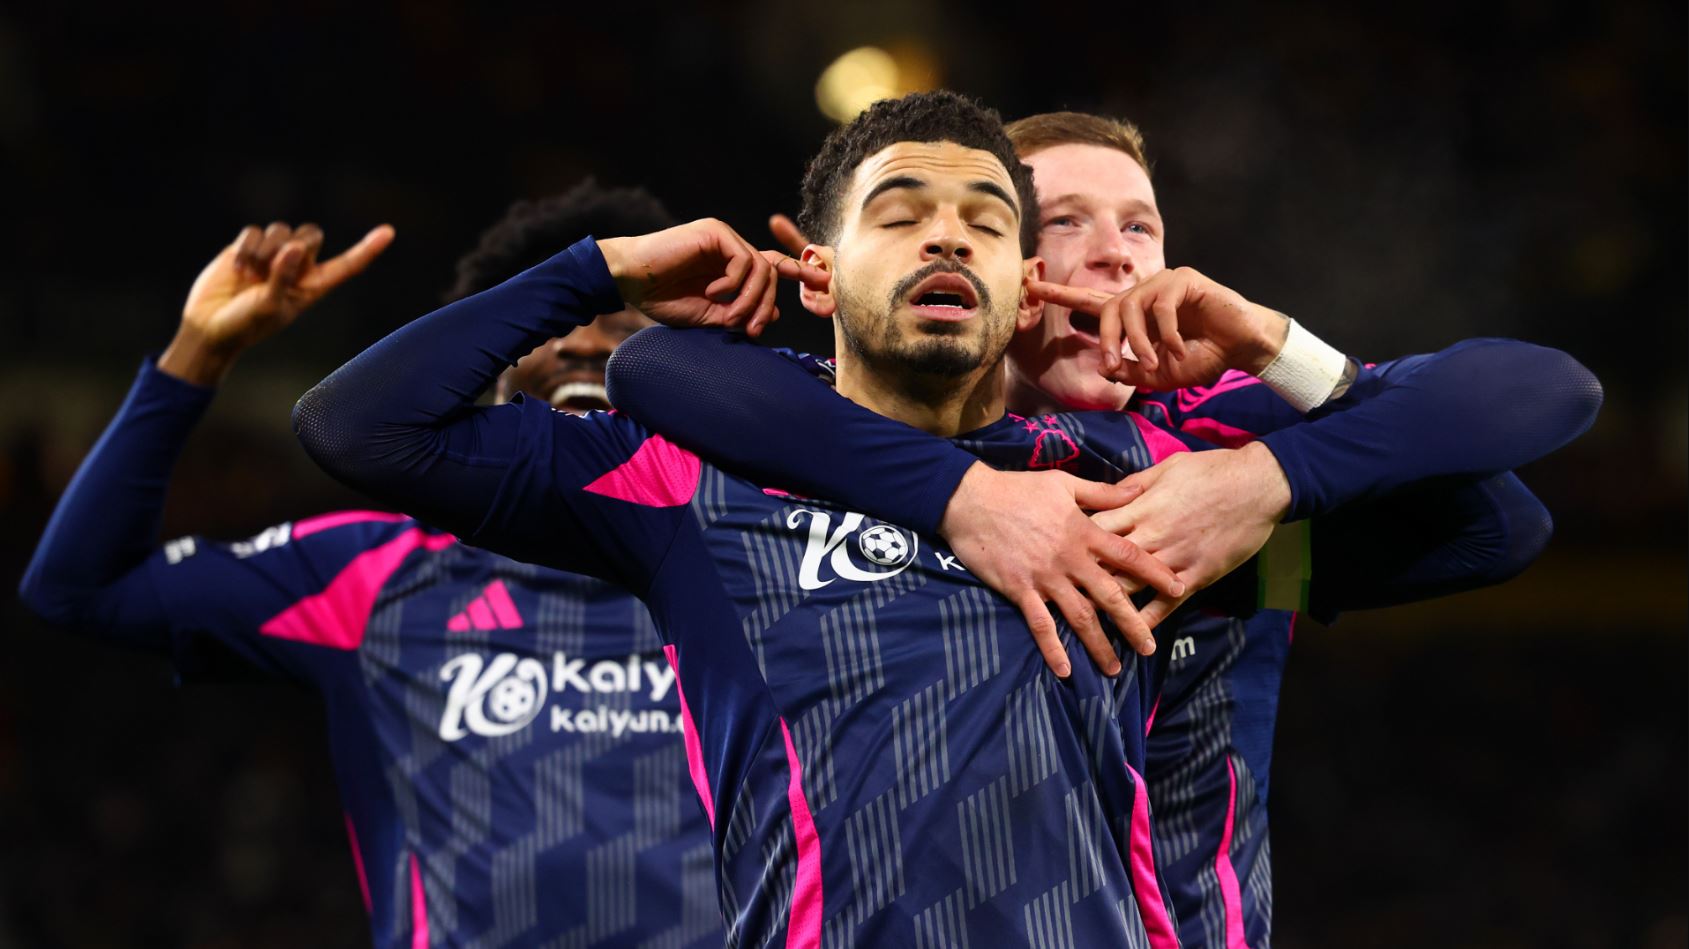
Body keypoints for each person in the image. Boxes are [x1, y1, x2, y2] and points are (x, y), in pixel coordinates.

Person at [605, 110, 1603, 948]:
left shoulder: (1198, 454)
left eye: (1139, 226)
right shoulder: (825, 434)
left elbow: (1504, 507)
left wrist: (1267, 392)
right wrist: (960, 486)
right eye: (1063, 220)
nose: (1114, 252)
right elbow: (655, 369)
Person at [20, 182, 725, 949]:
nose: (583, 342)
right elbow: (80, 587)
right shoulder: (366, 578)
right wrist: (199, 351)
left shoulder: (757, 565)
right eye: (553, 323)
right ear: (484, 369)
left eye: (621, 321)